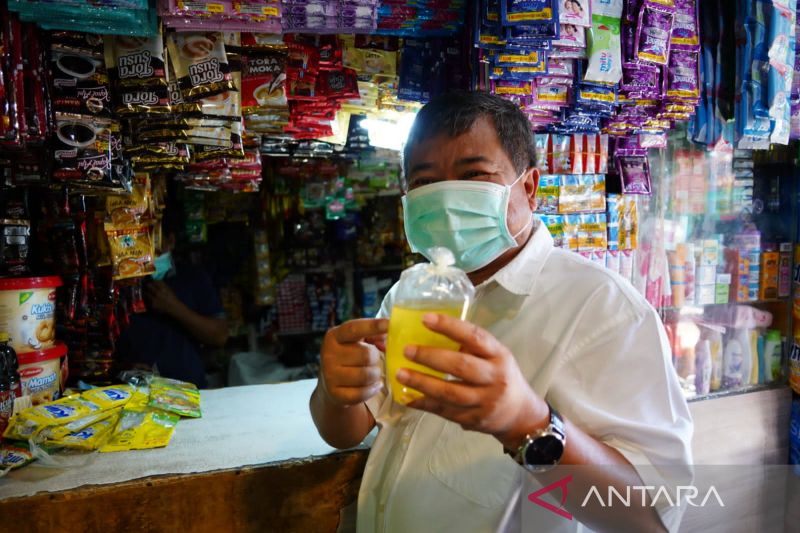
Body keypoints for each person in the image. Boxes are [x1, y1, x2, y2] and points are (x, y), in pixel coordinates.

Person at [310, 91, 693, 532]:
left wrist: (527, 424)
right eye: (424, 182)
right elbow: (349, 428)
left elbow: (651, 518)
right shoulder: (410, 293)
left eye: (474, 175)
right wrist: (335, 390)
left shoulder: (602, 308)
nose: (445, 198)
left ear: (529, 187)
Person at [116, 207, 228, 388]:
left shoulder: (193, 277)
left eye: (154, 243)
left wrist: (174, 307)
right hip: (134, 393)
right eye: (141, 244)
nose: (148, 254)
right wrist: (121, 368)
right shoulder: (121, 286)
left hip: (189, 392)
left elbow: (219, 335)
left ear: (170, 241)